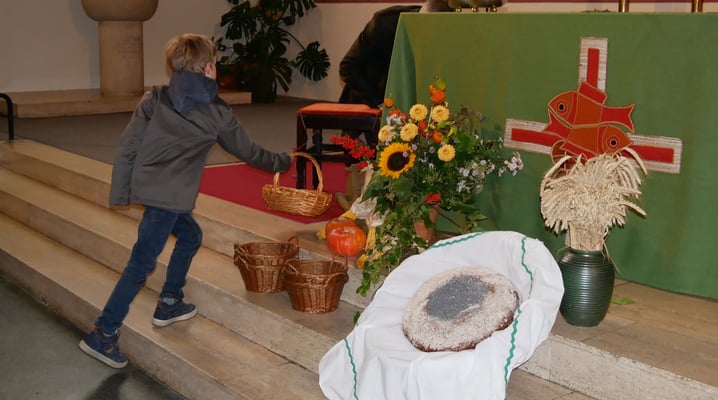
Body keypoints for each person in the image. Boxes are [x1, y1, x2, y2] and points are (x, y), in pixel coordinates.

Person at [79, 33, 292, 369]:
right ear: (207, 68)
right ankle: (103, 333)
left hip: (153, 191)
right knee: (141, 264)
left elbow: (128, 145)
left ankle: (169, 301)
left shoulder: (154, 97)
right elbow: (249, 152)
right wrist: (284, 161)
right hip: (170, 198)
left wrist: (122, 192)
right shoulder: (217, 111)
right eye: (215, 63)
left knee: (191, 236)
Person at [338, 0, 454, 108]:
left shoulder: (446, 33)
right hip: (367, 106)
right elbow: (347, 67)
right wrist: (379, 103)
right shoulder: (384, 23)